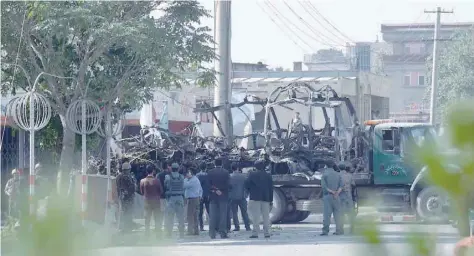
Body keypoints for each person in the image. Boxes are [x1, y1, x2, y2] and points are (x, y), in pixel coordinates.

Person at [245, 160, 273, 239]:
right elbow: (271, 189)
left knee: (255, 217)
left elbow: (246, 185)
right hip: (266, 198)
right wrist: (271, 200)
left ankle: (255, 233)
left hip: (255, 197)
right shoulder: (268, 175)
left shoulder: (252, 175)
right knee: (266, 217)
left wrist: (251, 191)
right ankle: (267, 233)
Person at [207, 158, 230, 239]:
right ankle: (223, 233)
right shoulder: (226, 172)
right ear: (222, 164)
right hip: (223, 196)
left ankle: (212, 233)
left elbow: (208, 185)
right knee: (223, 215)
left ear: (214, 163)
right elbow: (228, 185)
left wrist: (215, 190)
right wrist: (220, 190)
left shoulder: (210, 172)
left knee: (213, 216)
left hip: (213, 196)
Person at [320, 162, 344, 236]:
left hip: (328, 196)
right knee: (338, 214)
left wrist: (332, 192)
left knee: (327, 215)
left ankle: (325, 231)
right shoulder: (338, 174)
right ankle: (339, 230)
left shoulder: (324, 175)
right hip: (337, 197)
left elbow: (324, 187)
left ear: (326, 166)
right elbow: (341, 186)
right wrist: (337, 193)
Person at [140, 165, 163, 236]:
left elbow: (141, 192)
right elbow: (161, 191)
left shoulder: (142, 181)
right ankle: (158, 234)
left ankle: (147, 235)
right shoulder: (157, 181)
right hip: (156, 202)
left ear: (147, 171)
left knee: (147, 219)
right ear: (153, 171)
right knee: (157, 218)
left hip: (147, 202)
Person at [164, 162, 185, 238]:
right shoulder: (182, 177)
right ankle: (181, 233)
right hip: (180, 198)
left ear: (171, 169)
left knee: (170, 217)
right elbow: (183, 187)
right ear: (178, 169)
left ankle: (169, 233)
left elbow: (165, 185)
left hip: (171, 198)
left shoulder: (167, 177)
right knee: (181, 217)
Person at [229, 163, 251, 231]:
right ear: (238, 168)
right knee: (244, 212)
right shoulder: (244, 177)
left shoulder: (230, 177)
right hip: (242, 197)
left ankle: (237, 227)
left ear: (231, 169)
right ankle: (247, 226)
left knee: (234, 213)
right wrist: (246, 194)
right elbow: (248, 187)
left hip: (233, 197)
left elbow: (229, 188)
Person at [116, 162, 137, 232]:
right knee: (128, 214)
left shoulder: (118, 177)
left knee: (123, 213)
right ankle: (127, 228)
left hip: (121, 198)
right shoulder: (128, 177)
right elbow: (133, 188)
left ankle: (123, 227)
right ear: (127, 169)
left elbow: (118, 187)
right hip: (128, 199)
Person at [184, 167, 202, 236]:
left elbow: (184, 185)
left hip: (192, 199)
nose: (187, 174)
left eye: (188, 173)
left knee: (190, 216)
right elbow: (201, 190)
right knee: (195, 216)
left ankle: (190, 231)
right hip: (196, 199)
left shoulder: (192, 180)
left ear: (191, 173)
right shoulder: (196, 179)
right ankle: (196, 230)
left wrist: (185, 179)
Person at [339, 162, 356, 234]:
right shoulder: (350, 175)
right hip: (349, 195)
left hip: (341, 195)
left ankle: (341, 229)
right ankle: (352, 229)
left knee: (341, 213)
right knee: (351, 212)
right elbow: (353, 185)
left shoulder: (338, 175)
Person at [157, 161, 171, 230]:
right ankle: (167, 225)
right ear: (167, 166)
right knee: (168, 212)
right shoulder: (170, 175)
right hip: (168, 196)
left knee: (161, 212)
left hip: (161, 196)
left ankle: (160, 225)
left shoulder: (158, 175)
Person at [196, 162, 210, 231]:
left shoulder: (197, 175)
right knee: (209, 211)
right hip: (207, 195)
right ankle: (212, 226)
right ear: (206, 168)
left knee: (200, 212)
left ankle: (201, 227)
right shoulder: (208, 175)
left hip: (200, 195)